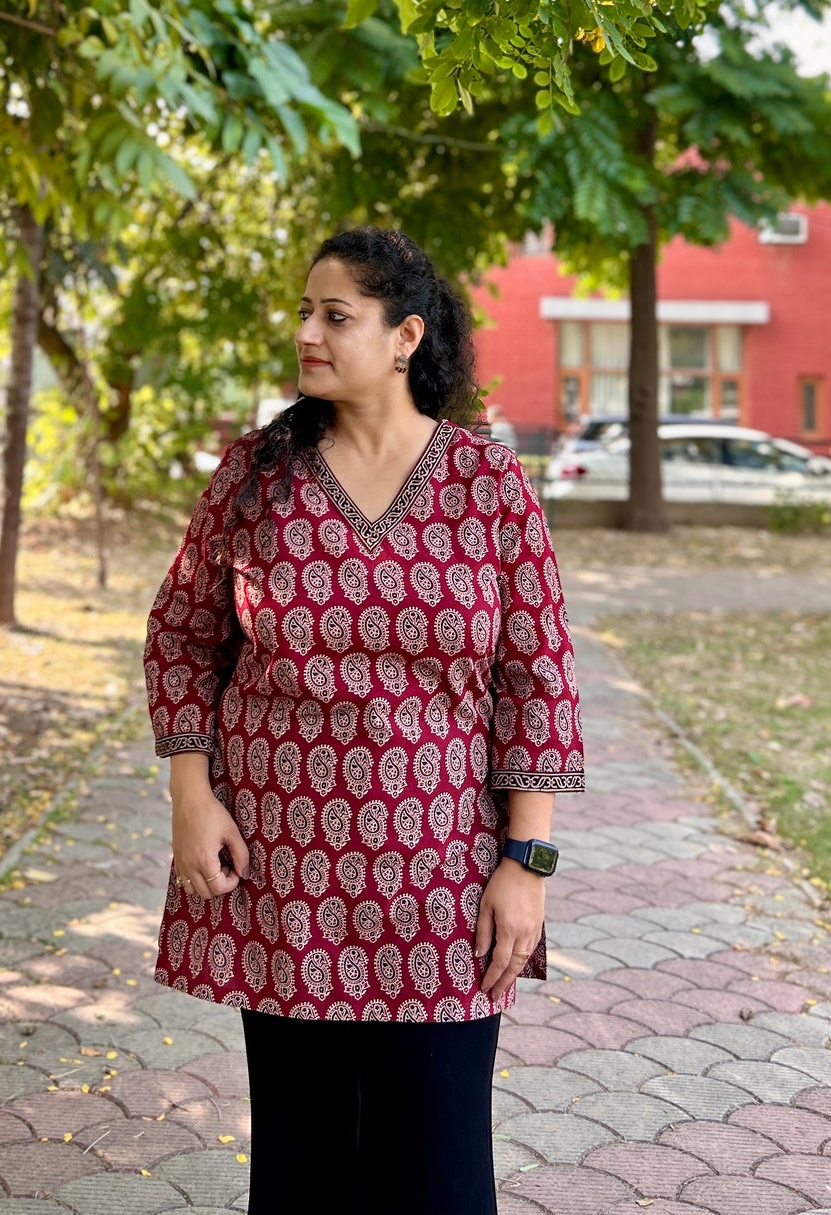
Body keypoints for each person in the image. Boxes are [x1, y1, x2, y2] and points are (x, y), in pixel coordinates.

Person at [143, 226, 584, 1214]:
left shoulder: (489, 487)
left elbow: (537, 679)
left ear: (403, 337)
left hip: (441, 884)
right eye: (303, 310)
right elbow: (179, 635)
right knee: (300, 1172)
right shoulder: (255, 477)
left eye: (333, 314)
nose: (306, 331)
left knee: (438, 1177)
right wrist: (189, 793)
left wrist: (528, 862)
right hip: (284, 875)